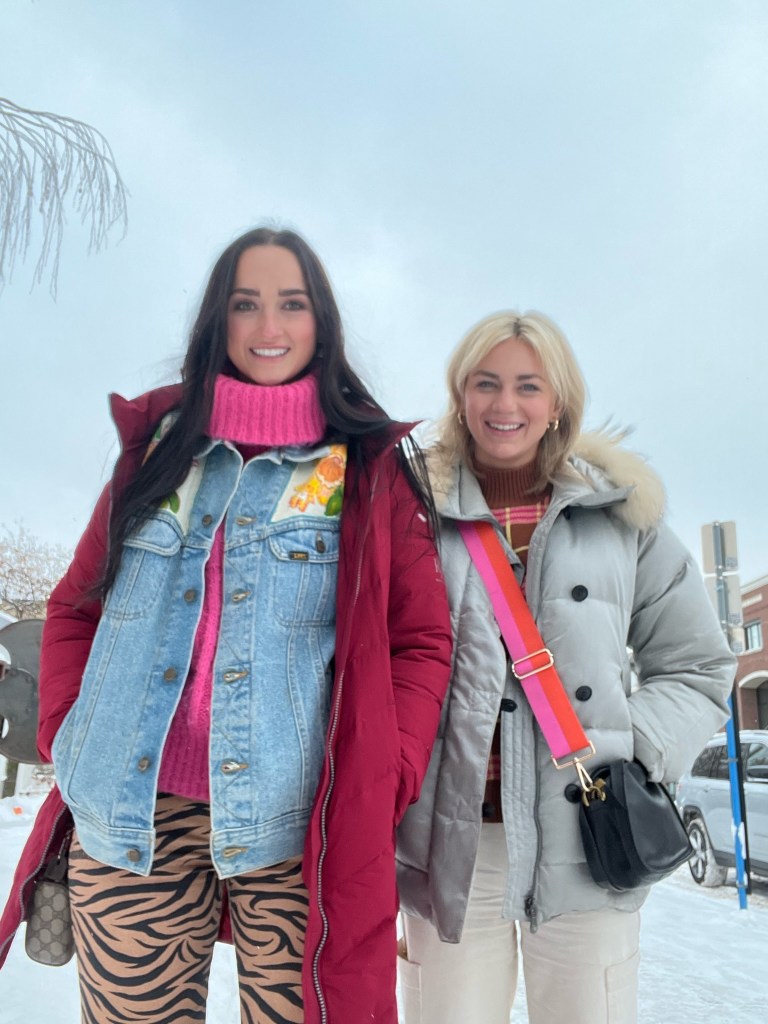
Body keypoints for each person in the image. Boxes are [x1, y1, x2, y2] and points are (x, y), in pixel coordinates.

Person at [0, 227, 452, 1024]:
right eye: (246, 304)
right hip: (134, 815)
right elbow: (76, 606)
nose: (269, 326)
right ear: (219, 318)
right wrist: (68, 730)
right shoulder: (158, 452)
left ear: (321, 322)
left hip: (298, 827)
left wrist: (390, 770)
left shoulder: (366, 469)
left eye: (291, 304)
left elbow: (420, 640)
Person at [395, 310, 735, 1024]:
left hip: (588, 840)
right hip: (451, 844)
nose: (506, 404)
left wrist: (631, 751)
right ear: (460, 394)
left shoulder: (622, 517)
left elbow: (698, 664)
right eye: (486, 383)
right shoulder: (410, 511)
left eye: (528, 385)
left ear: (557, 402)